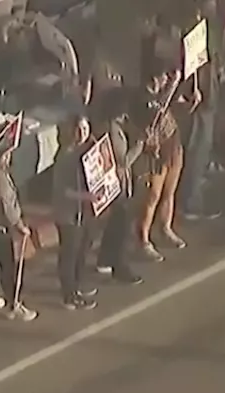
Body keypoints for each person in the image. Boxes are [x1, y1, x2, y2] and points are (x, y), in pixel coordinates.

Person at [91, 86, 145, 285]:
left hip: (111, 185)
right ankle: (120, 265)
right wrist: (139, 146)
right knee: (122, 227)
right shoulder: (112, 130)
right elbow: (122, 162)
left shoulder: (105, 124)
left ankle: (104, 259)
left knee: (114, 225)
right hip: (118, 185)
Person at [176, 0, 221, 222]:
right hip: (198, 102)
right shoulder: (191, 30)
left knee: (200, 150)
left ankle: (192, 191)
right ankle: (190, 203)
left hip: (208, 97)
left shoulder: (204, 26)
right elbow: (191, 67)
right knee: (196, 150)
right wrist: (194, 91)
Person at [0, 146, 40, 320]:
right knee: (8, 269)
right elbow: (8, 206)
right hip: (1, 230)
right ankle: (13, 303)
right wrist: (20, 225)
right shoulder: (1, 178)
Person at [51, 116, 99, 310]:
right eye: (79, 130)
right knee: (69, 254)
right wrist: (87, 197)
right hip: (67, 213)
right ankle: (69, 295)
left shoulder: (83, 151)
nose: (83, 134)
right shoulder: (64, 156)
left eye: (86, 129)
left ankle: (77, 285)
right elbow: (64, 190)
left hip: (82, 212)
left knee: (82, 248)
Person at [136, 70, 185, 260]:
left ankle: (166, 228)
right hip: (155, 152)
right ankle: (144, 239)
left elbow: (174, 105)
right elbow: (157, 110)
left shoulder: (166, 94)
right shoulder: (143, 99)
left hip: (172, 144)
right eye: (163, 75)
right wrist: (172, 86)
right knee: (152, 196)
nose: (166, 78)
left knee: (169, 191)